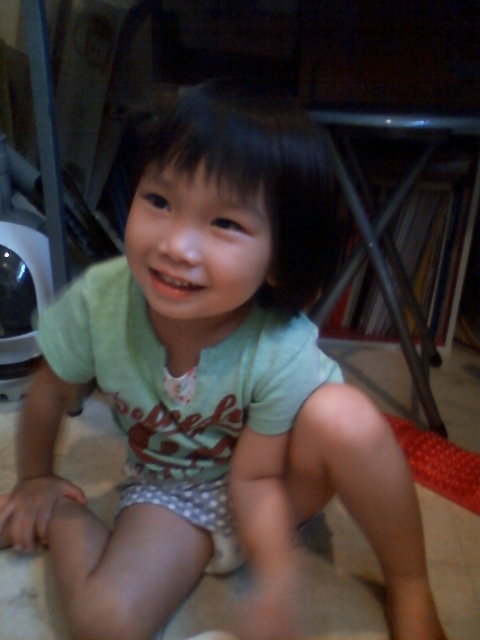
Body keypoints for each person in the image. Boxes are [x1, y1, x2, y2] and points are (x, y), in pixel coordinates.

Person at [0, 79, 446, 640]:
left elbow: (256, 477)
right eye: (159, 201)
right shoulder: (99, 301)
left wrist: (276, 576)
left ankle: (410, 585)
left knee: (346, 418)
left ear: (279, 259)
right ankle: (62, 519)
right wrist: (37, 478)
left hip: (277, 478)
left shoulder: (279, 343)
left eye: (225, 224)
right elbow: (48, 393)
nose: (176, 246)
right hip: (172, 487)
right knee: (104, 623)